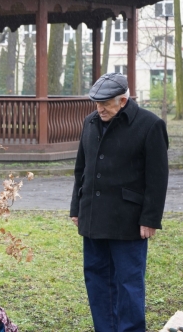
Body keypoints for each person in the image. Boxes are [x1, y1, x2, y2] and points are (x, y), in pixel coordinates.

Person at [69, 72, 169, 332]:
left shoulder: (150, 125)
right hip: (93, 218)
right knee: (97, 280)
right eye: (96, 102)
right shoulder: (89, 122)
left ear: (123, 101)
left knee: (128, 283)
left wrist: (150, 218)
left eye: (105, 103)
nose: (99, 108)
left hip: (129, 221)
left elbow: (157, 178)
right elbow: (82, 169)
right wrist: (76, 207)